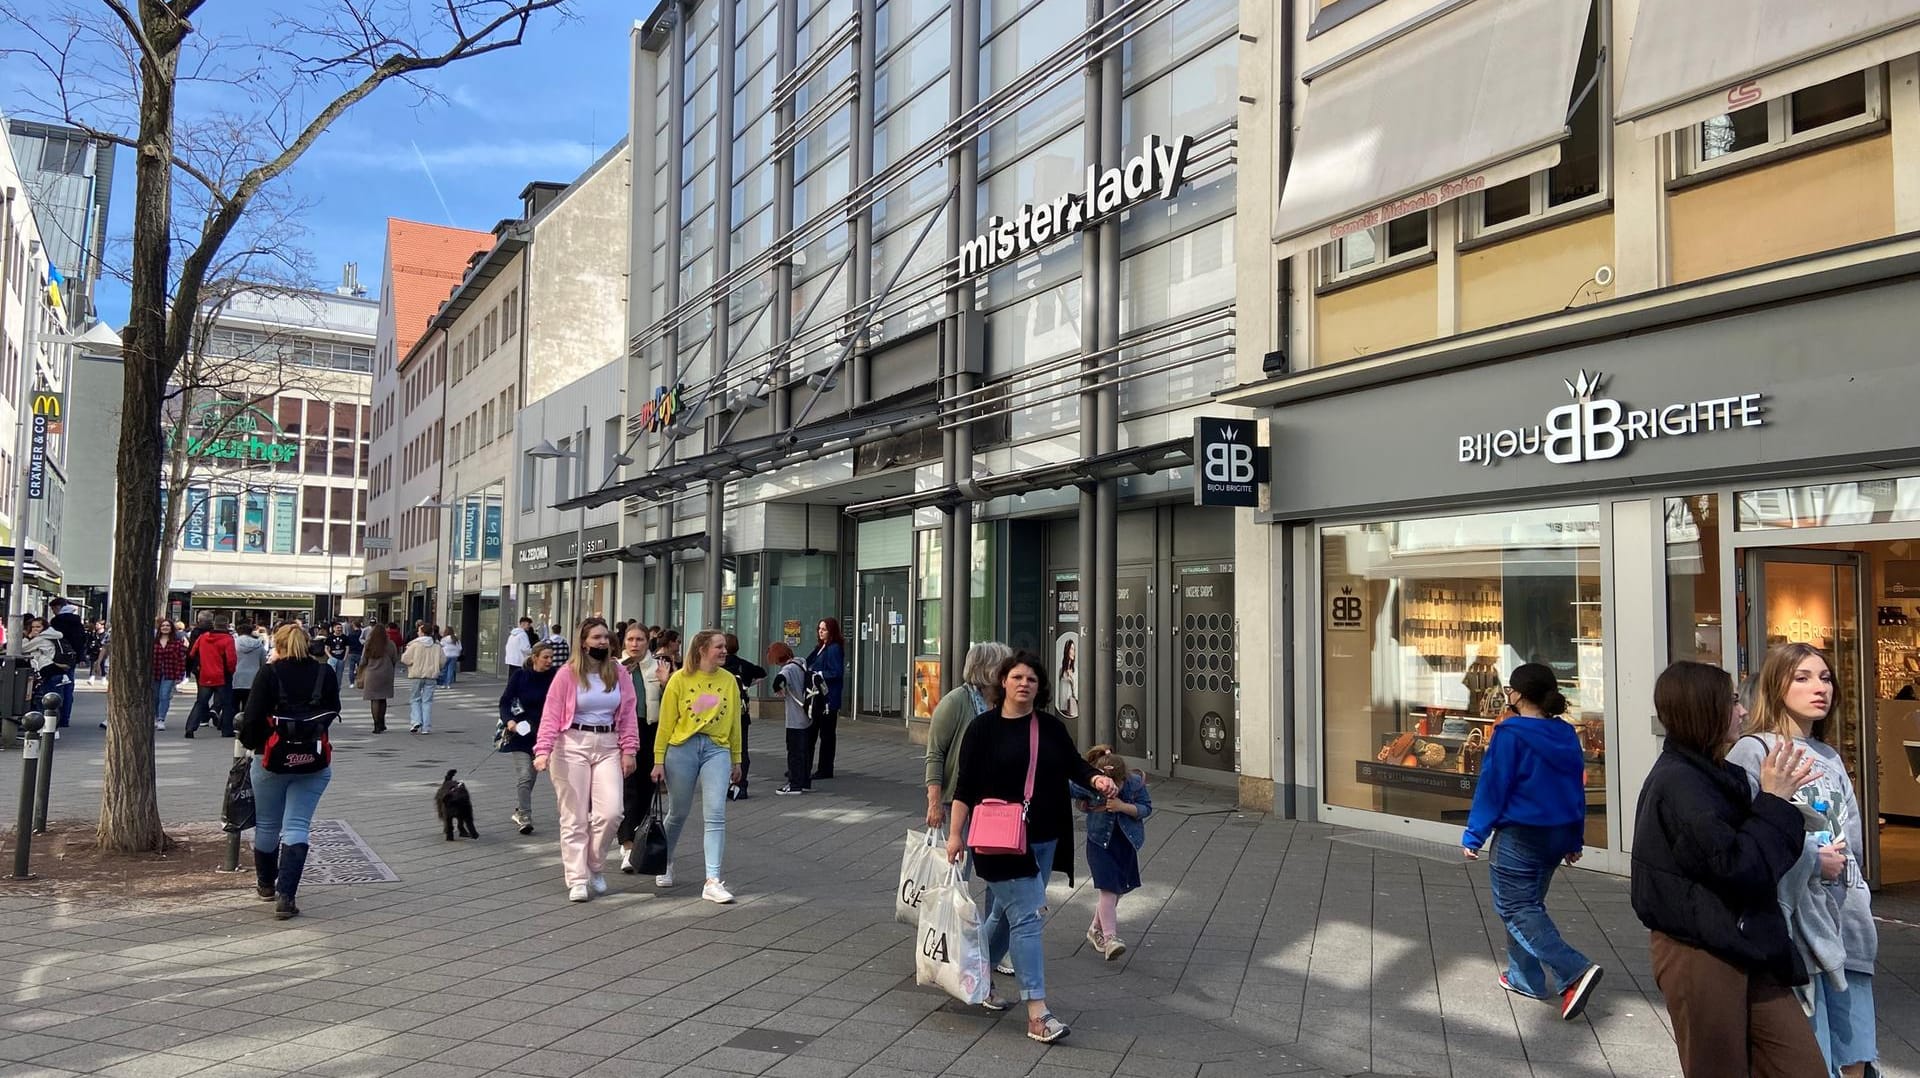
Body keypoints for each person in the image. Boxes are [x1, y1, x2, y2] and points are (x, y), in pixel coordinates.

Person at [1632, 660, 1824, 1078]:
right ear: (1706, 710)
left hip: (1748, 942)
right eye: (1732, 702)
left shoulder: (1715, 774)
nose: (1741, 711)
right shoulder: (1681, 785)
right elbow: (1740, 869)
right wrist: (1774, 802)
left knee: (1802, 1065)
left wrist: (1776, 805)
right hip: (1702, 951)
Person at [944, 650, 1115, 1044]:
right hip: (997, 841)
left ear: (1039, 688)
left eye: (1032, 680)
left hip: (1042, 837)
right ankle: (1037, 1013)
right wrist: (956, 835)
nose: (1024, 684)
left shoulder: (1050, 728)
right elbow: (965, 786)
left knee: (1005, 916)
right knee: (1026, 917)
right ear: (1002, 682)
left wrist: (1097, 781)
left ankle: (971, 974)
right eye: (1017, 677)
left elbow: (1075, 765)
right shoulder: (983, 729)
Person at [1726, 643, 1879, 1078]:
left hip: (1846, 923)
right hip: (1794, 928)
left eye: (1826, 678)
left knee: (1856, 1053)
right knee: (1810, 1054)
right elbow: (1749, 840)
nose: (1820, 688)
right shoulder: (1753, 751)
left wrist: (1857, 895)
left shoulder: (1829, 756)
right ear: (1776, 686)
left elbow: (1853, 839)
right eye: (1803, 678)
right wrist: (1812, 861)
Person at [1459, 662, 1602, 1020]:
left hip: (1520, 836)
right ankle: (1526, 978)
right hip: (1556, 835)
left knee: (1516, 908)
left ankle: (1574, 970)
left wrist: (1475, 834)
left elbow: (1493, 787)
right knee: (1528, 905)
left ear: (1519, 694)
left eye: (1510, 689)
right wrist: (1574, 839)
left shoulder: (1510, 734)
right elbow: (1575, 791)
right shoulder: (1567, 734)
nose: (1508, 694)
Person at [532, 619, 640, 901]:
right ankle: (577, 878)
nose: (603, 642)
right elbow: (551, 715)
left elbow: (628, 713)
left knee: (612, 812)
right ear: (583, 642)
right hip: (570, 745)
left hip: (608, 744)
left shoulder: (618, 672)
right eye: (596, 637)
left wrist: (630, 750)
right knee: (575, 816)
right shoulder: (567, 674)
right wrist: (542, 750)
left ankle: (594, 864)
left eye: (605, 637)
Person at [239, 622, 341, 921]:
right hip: (313, 759)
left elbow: (253, 716)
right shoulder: (325, 672)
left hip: (270, 758)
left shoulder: (270, 673)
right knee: (297, 825)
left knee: (268, 824)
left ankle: (266, 885)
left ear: (278, 646)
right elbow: (332, 710)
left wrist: (252, 743)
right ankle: (287, 895)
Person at [652, 629, 744, 903]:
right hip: (682, 749)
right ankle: (665, 861)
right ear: (702, 649)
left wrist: (737, 758)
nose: (724, 651)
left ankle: (712, 880)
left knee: (715, 812)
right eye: (719, 647)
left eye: (725, 646)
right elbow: (665, 723)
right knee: (678, 812)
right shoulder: (679, 680)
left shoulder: (729, 681)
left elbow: (735, 723)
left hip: (717, 749)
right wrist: (658, 761)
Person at [1071, 745, 1152, 960]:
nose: (1111, 788)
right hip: (1099, 843)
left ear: (1123, 778)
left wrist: (1122, 806)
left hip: (1126, 842)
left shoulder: (1134, 784)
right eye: (1107, 784)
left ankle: (1094, 929)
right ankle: (1110, 939)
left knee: (1119, 890)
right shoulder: (1093, 784)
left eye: (1116, 784)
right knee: (1108, 889)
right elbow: (1070, 786)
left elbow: (1146, 808)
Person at [924, 642, 1012, 825]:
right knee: (962, 851)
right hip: (961, 799)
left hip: (998, 798)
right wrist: (934, 803)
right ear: (987, 669)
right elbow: (935, 754)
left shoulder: (1005, 702)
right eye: (1004, 665)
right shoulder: (954, 702)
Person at [500, 643, 558, 836]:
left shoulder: (557, 676)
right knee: (525, 774)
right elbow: (505, 701)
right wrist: (510, 722)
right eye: (546, 657)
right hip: (522, 734)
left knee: (531, 777)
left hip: (547, 735)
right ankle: (525, 815)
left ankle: (520, 809)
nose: (550, 661)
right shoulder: (520, 676)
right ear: (535, 657)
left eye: (552, 657)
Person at [618, 624, 661, 873]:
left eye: (640, 639)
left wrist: (666, 683)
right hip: (623, 733)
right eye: (630, 639)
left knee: (647, 789)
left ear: (648, 642)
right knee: (627, 789)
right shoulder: (616, 668)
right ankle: (627, 845)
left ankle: (641, 841)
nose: (635, 644)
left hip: (650, 730)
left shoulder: (659, 667)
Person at [721, 633, 766, 799]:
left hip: (721, 713)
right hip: (741, 713)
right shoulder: (743, 665)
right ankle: (741, 785)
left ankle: (723, 784)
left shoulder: (719, 666)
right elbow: (762, 672)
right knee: (741, 748)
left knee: (720, 749)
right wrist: (748, 685)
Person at [183, 617, 237, 738]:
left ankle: (190, 728)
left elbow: (192, 653)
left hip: (205, 674)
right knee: (227, 704)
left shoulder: (203, 637)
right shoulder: (228, 639)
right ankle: (226, 730)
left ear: (214, 625)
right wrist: (231, 671)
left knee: (200, 702)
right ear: (227, 625)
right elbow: (231, 659)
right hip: (222, 675)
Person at [805, 617, 845, 779]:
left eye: (824, 629)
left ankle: (825, 768)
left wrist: (819, 674)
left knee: (826, 735)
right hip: (816, 697)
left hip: (828, 698)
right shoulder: (820, 647)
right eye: (819, 629)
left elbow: (837, 672)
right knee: (811, 733)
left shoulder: (834, 648)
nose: (820, 632)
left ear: (831, 631)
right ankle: (804, 766)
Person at [769, 643, 811, 796]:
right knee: (805, 752)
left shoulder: (788, 669)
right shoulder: (801, 662)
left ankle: (794, 784)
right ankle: (805, 782)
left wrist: (776, 688)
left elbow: (779, 678)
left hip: (795, 718)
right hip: (807, 716)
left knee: (794, 752)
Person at [401, 624, 442, 733]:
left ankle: (416, 721)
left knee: (415, 699)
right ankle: (426, 727)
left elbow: (405, 659)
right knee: (427, 701)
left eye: (419, 631)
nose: (417, 632)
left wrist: (412, 663)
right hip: (431, 676)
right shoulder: (437, 646)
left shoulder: (415, 645)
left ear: (422, 632)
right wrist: (436, 667)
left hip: (417, 675)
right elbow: (443, 661)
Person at [357, 620, 397, 733]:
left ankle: (376, 725)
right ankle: (382, 722)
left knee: (374, 699)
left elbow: (363, 660)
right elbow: (394, 659)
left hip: (372, 674)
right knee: (383, 698)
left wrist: (360, 670)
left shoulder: (369, 644)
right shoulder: (390, 644)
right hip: (386, 673)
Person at [151, 617, 187, 731]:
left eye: (167, 626)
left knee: (164, 695)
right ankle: (156, 717)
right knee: (155, 696)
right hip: (155, 673)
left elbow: (181, 660)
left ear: (171, 628)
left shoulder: (177, 643)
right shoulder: (153, 643)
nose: (165, 628)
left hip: (169, 673)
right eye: (163, 626)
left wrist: (180, 675)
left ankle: (161, 719)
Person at [231, 620, 267, 720]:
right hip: (253, 679)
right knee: (248, 706)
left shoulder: (233, 643)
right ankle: (246, 724)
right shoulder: (259, 645)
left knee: (233, 704)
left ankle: (232, 725)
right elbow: (263, 663)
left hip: (235, 677)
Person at [343, 620, 364, 687]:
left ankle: (351, 683)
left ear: (354, 626)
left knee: (351, 668)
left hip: (351, 652)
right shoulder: (362, 633)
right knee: (360, 668)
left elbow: (347, 643)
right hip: (360, 652)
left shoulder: (350, 634)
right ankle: (360, 681)